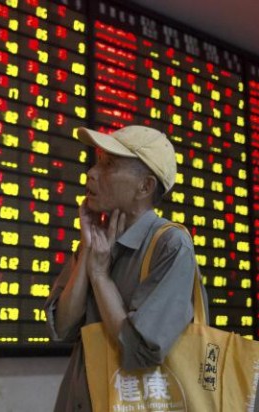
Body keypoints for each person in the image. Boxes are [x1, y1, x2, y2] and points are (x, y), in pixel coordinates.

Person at [44, 125, 208, 411]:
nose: (92, 173)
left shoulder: (171, 245)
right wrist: (87, 254)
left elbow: (140, 351)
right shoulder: (97, 239)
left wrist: (99, 276)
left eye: (109, 165)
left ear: (145, 186)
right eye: (97, 161)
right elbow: (62, 327)